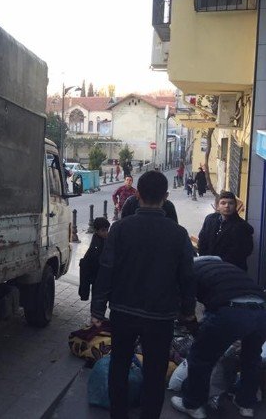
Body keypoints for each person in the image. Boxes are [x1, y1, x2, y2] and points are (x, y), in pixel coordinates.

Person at [91, 170, 196, 419]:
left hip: (123, 311)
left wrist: (97, 309)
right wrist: (188, 311)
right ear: (166, 196)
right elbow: (187, 277)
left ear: (137, 194)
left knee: (119, 366)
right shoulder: (178, 234)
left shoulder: (119, 229)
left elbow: (106, 269)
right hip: (160, 316)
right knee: (155, 372)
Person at [171, 256, 266, 419]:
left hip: (231, 312)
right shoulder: (227, 267)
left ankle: (193, 404)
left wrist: (194, 329)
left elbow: (186, 306)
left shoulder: (190, 271)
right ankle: (246, 404)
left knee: (201, 357)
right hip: (261, 311)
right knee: (251, 359)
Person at [197, 191, 254, 271]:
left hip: (231, 270)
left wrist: (218, 263)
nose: (227, 206)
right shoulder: (210, 219)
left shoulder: (242, 227)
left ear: (235, 206)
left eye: (230, 203)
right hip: (208, 267)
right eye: (223, 203)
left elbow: (242, 252)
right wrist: (205, 260)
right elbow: (202, 241)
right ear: (217, 206)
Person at [78, 217, 111, 301]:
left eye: (107, 230)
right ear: (96, 231)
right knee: (97, 299)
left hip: (100, 277)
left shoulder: (103, 241)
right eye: (103, 230)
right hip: (97, 278)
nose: (106, 233)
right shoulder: (95, 246)